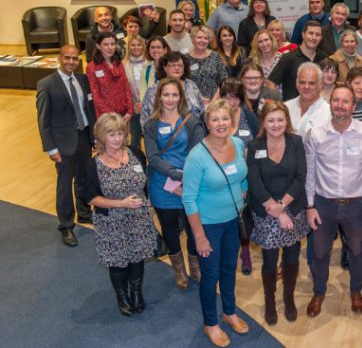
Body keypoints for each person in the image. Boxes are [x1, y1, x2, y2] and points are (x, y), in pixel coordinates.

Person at [304, 85, 362, 317]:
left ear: (353, 106)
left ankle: (355, 291)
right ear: (330, 104)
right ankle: (319, 292)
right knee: (319, 252)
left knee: (357, 252)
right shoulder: (315, 134)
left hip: (357, 205)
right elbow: (310, 172)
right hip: (323, 204)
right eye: (336, 100)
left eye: (345, 102)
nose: (340, 105)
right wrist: (309, 205)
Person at [183, 100, 250, 347]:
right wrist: (199, 236)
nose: (221, 124)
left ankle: (229, 312)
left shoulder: (238, 143)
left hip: (233, 220)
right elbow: (188, 198)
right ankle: (210, 323)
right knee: (210, 277)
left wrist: (243, 191)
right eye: (215, 119)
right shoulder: (197, 156)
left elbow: (242, 174)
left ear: (232, 122)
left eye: (225, 119)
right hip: (208, 225)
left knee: (229, 269)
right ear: (207, 123)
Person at [83, 113, 156, 316]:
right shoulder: (92, 165)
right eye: (111, 134)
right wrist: (120, 203)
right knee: (118, 262)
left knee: (137, 257)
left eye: (120, 134)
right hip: (111, 222)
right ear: (101, 137)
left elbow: (144, 180)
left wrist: (148, 202)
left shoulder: (135, 153)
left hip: (138, 219)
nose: (117, 139)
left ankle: (136, 292)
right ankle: (122, 296)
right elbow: (89, 198)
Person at [246, 100, 310, 325]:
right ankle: (270, 301)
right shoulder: (255, 146)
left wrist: (282, 206)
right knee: (270, 261)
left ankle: (289, 298)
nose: (275, 124)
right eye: (271, 120)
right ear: (263, 122)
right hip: (266, 212)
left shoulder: (296, 142)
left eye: (280, 120)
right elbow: (254, 180)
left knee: (292, 257)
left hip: (292, 209)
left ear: (287, 121)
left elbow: (301, 177)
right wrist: (273, 207)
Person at [144, 77, 205, 289]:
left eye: (174, 94)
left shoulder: (191, 121)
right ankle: (179, 269)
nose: (170, 99)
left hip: (191, 183)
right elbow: (152, 157)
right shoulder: (151, 125)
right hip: (162, 186)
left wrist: (186, 180)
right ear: (159, 96)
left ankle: (195, 265)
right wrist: (175, 178)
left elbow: (197, 153)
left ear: (181, 97)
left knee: (193, 228)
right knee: (169, 230)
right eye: (166, 94)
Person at [36, 45, 97, 246]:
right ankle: (66, 226)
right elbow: (43, 121)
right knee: (64, 186)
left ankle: (84, 214)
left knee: (84, 178)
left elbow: (88, 108)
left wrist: (94, 134)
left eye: (74, 59)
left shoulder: (82, 80)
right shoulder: (46, 84)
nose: (71, 62)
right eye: (67, 58)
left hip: (84, 138)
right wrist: (51, 149)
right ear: (59, 58)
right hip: (63, 145)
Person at [220, 78, 260, 275]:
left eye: (235, 97)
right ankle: (228, 254)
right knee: (225, 219)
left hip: (245, 178)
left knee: (243, 218)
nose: (231, 101)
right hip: (221, 179)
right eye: (227, 97)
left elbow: (259, 145)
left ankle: (245, 253)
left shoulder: (249, 117)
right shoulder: (214, 118)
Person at [140, 52, 205, 127]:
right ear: (165, 68)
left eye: (180, 65)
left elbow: (201, 110)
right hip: (162, 135)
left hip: (193, 133)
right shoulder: (154, 89)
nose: (177, 68)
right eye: (173, 65)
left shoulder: (191, 85)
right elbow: (145, 118)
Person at [268, 20, 327, 101]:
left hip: (316, 109)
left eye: (317, 35)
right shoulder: (288, 58)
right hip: (292, 111)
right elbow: (271, 82)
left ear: (321, 38)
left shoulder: (324, 58)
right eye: (310, 33)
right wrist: (279, 105)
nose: (314, 37)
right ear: (303, 34)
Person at [87, 32, 134, 122]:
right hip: (106, 117)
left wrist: (130, 110)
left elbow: (126, 87)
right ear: (98, 46)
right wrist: (112, 116)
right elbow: (96, 96)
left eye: (112, 44)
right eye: (106, 44)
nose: (110, 47)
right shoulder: (92, 67)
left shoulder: (118, 63)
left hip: (124, 114)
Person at [285, 62, 331, 137]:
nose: (306, 87)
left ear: (320, 85)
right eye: (302, 82)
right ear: (297, 83)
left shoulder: (328, 113)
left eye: (311, 83)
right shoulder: (286, 107)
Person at [123, 35, 149, 165]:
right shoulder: (124, 65)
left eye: (139, 45)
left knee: (151, 140)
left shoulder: (150, 64)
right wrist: (133, 104)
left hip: (150, 106)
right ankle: (137, 167)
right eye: (132, 45)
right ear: (128, 47)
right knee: (134, 141)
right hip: (133, 107)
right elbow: (124, 89)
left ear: (143, 47)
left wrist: (144, 103)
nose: (136, 47)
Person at [187, 26, 229, 101]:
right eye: (199, 37)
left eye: (206, 38)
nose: (202, 40)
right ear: (193, 39)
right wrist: (199, 99)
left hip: (215, 101)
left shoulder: (215, 56)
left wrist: (215, 98)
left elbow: (224, 80)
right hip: (192, 101)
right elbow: (183, 82)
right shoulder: (185, 58)